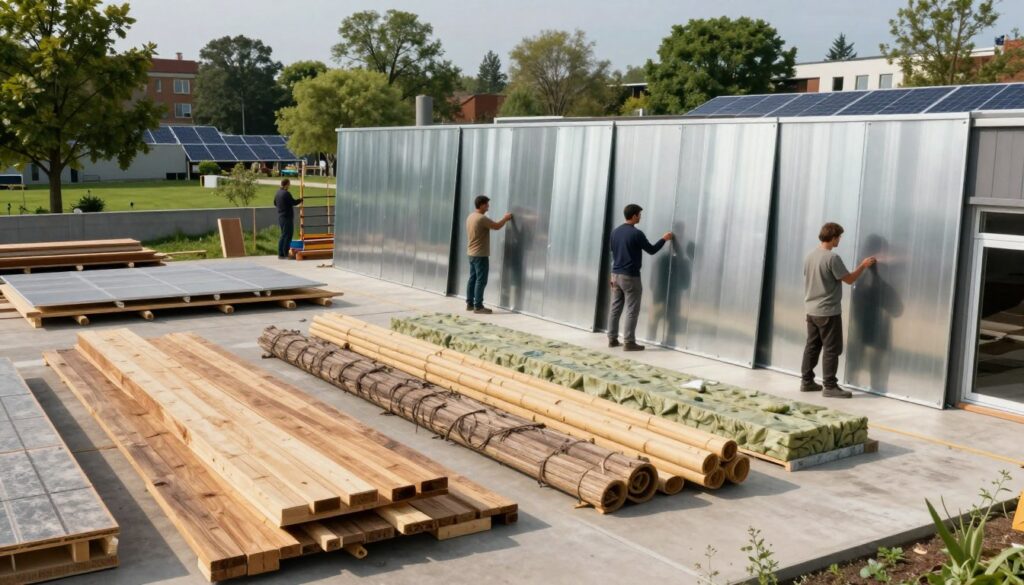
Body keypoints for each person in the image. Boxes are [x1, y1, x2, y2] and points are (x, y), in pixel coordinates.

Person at [801, 222, 877, 398]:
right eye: (839, 237)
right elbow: (849, 279)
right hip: (828, 312)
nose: (840, 240)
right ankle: (830, 386)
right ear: (833, 237)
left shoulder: (810, 256)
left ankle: (806, 381)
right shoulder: (831, 258)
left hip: (811, 310)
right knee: (831, 349)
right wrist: (863, 265)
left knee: (812, 346)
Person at [607, 204, 673, 351]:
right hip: (630, 277)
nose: (640, 217)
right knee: (632, 309)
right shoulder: (636, 234)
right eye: (639, 214)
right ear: (634, 216)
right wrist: (664, 239)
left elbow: (613, 254)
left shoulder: (615, 232)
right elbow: (651, 250)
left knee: (615, 308)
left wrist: (612, 275)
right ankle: (629, 342)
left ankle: (612, 339)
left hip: (615, 275)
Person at [465, 195, 512, 314]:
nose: (488, 206)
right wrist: (506, 218)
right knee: (481, 280)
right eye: (486, 204)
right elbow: (496, 226)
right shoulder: (481, 218)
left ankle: (470, 303)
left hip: (471, 253)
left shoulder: (471, 216)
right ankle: (478, 306)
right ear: (481, 205)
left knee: (472, 278)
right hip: (480, 254)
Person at [274, 179, 302, 259]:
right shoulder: (286, 194)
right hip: (287, 217)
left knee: (283, 234)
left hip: (281, 216)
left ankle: (281, 253)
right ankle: (284, 253)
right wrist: (300, 200)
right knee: (288, 235)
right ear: (286, 184)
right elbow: (293, 202)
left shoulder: (277, 193)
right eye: (289, 184)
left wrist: (281, 207)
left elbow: (275, 203)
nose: (289, 186)